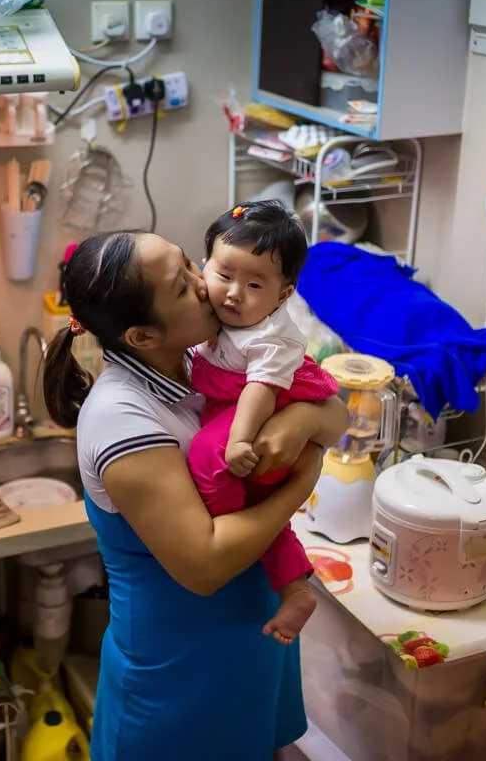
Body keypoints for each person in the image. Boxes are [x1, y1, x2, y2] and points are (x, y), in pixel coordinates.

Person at [43, 229, 348, 761]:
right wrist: (301, 481)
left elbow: (332, 411)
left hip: (250, 649)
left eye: (189, 265)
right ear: (140, 336)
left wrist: (302, 418)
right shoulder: (121, 418)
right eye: (181, 288)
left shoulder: (206, 358)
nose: (205, 285)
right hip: (178, 678)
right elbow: (204, 565)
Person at [189, 201, 339, 645]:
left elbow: (261, 391)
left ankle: (236, 536)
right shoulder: (209, 310)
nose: (234, 293)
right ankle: (295, 587)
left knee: (206, 456)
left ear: (283, 294)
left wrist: (237, 441)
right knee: (266, 513)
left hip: (265, 405)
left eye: (254, 283)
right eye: (223, 276)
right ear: (203, 270)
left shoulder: (270, 336)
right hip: (238, 404)